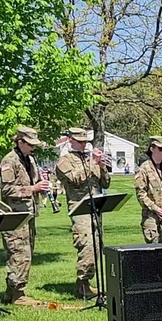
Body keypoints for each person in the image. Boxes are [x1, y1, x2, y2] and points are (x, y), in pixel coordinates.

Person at [55, 126, 111, 299]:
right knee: (86, 245)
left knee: (96, 246)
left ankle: (89, 281)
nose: (83, 145)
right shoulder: (64, 161)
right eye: (80, 142)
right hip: (79, 208)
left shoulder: (89, 158)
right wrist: (92, 163)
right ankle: (82, 283)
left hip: (95, 207)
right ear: (70, 140)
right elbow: (75, 179)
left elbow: (105, 183)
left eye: (85, 142)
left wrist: (102, 167)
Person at [0, 126, 50, 306]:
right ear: (20, 142)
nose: (33, 148)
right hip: (14, 216)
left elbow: (33, 182)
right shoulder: (9, 161)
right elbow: (6, 189)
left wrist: (41, 186)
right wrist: (32, 189)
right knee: (19, 254)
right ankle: (17, 295)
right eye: (30, 144)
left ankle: (11, 292)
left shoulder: (30, 160)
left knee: (26, 253)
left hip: (28, 215)